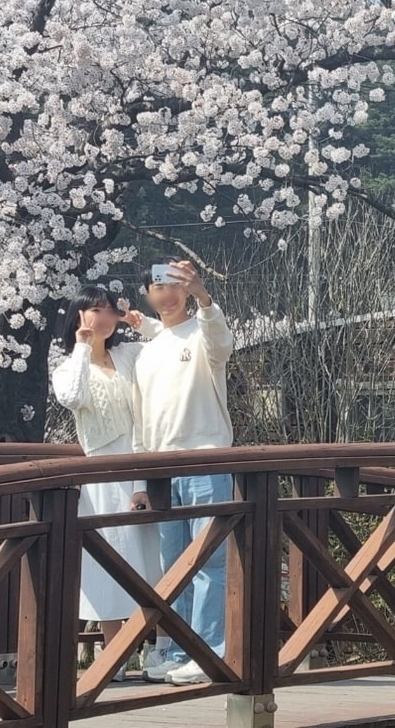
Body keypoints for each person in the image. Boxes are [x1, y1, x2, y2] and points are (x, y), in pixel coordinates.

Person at [51, 286, 163, 681]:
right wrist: (83, 346)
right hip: (99, 474)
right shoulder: (67, 367)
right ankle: (114, 652)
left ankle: (160, 648)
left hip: (140, 466)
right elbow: (72, 396)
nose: (101, 316)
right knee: (108, 564)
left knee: (153, 560)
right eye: (92, 310)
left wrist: (141, 322)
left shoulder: (129, 355)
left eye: (106, 310)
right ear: (78, 315)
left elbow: (167, 344)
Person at [132, 258, 235, 687]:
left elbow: (220, 340)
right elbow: (140, 420)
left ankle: (209, 651)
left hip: (206, 460)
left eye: (177, 285)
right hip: (160, 467)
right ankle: (175, 649)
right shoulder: (147, 350)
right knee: (172, 565)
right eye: (160, 285)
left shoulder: (204, 331)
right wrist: (140, 480)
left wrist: (204, 295)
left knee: (210, 562)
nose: (169, 292)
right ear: (148, 293)